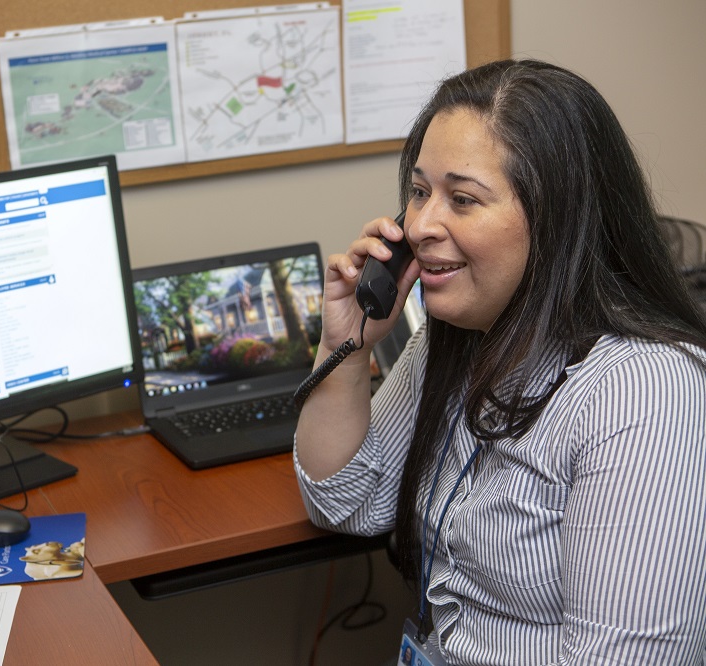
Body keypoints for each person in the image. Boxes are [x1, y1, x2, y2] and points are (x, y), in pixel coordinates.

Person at [294, 59, 706, 664]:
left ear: (558, 219)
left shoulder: (643, 391)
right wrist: (347, 348)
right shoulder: (457, 334)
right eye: (418, 191)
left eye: (462, 199)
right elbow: (345, 502)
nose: (421, 224)